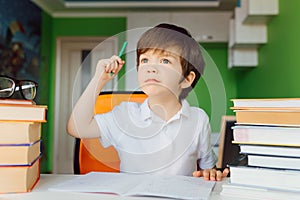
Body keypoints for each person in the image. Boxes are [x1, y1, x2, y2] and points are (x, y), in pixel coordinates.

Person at [67, 23, 229, 181]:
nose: (150, 68)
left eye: (165, 61)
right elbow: (77, 128)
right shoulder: (125, 114)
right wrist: (98, 79)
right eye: (145, 60)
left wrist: (212, 174)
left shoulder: (198, 119)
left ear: (187, 79)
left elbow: (208, 168)